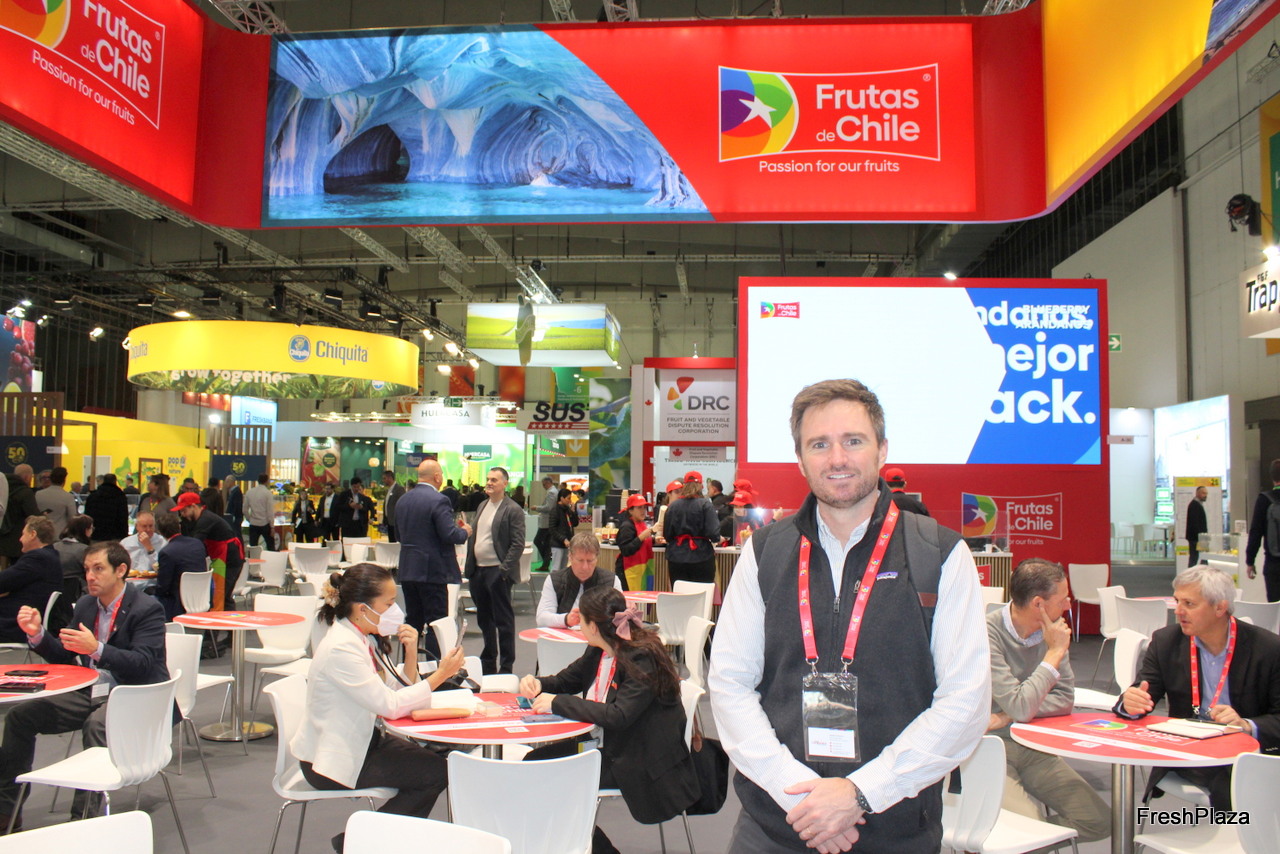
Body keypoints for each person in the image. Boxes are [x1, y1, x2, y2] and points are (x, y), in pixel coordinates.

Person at [709, 379, 989, 854]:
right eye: (819, 444)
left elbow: (965, 701)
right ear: (801, 459)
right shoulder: (764, 552)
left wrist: (861, 793)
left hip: (895, 827)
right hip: (777, 824)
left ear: (882, 449)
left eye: (853, 441)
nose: (837, 458)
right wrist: (800, 795)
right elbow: (730, 683)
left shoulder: (939, 554)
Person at [294, 564, 463, 853]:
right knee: (436, 774)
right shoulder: (342, 648)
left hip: (363, 742)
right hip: (328, 760)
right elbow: (391, 706)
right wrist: (440, 675)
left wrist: (411, 652)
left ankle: (368, 840)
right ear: (363, 609)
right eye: (388, 603)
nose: (395, 611)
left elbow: (397, 691)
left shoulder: (362, 636)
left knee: (437, 767)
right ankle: (357, 842)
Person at [0, 541, 169, 830]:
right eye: (87, 569)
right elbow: (65, 656)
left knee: (96, 725)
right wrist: (38, 634)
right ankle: (7, 812)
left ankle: (84, 821)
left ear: (121, 570)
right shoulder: (87, 605)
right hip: (93, 692)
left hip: (135, 696)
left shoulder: (147, 608)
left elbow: (142, 664)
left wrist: (97, 649)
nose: (90, 576)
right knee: (20, 717)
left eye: (98, 569)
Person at [520, 586, 700, 854]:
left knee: (549, 778)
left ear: (593, 627)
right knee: (534, 764)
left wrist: (557, 703)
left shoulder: (641, 658)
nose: (578, 625)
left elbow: (619, 715)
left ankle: (595, 848)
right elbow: (567, 680)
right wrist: (538, 684)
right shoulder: (599, 649)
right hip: (605, 744)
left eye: (581, 620)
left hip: (636, 757)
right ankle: (582, 844)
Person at [1116, 564, 1280, 809]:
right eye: (1177, 601)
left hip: (1247, 750)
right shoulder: (1166, 642)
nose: (1178, 611)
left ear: (1220, 608)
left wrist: (1246, 725)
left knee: (1236, 776)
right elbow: (1140, 693)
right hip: (1190, 748)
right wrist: (1130, 703)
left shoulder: (1267, 648)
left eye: (1189, 604)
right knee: (1230, 781)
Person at [987, 558, 1109, 842]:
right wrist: (1053, 654)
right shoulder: (986, 632)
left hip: (1033, 746)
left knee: (1100, 822)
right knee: (1027, 836)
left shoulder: (1053, 631)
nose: (1068, 605)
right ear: (1038, 604)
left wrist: (1007, 714)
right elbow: (1021, 706)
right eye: (1063, 599)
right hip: (990, 747)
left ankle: (1005, 843)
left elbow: (1064, 699)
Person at [395, 459, 471, 657]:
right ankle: (434, 668)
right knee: (436, 623)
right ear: (437, 477)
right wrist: (465, 532)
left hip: (408, 569)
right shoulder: (439, 500)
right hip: (432, 571)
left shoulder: (403, 500)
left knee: (412, 622)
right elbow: (449, 534)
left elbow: (398, 535)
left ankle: (408, 667)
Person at [464, 466, 525, 675]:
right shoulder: (482, 505)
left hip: (497, 573)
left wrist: (503, 570)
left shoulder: (512, 509)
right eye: (488, 479)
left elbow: (517, 543)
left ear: (505, 484)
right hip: (478, 572)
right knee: (484, 620)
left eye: (494, 480)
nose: (489, 483)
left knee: (503, 622)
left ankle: (506, 666)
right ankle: (488, 661)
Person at [173, 491, 244, 611]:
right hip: (222, 558)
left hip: (229, 559)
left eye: (184, 510)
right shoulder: (201, 518)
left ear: (193, 506)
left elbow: (195, 544)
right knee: (223, 596)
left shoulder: (205, 520)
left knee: (220, 595)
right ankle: (227, 622)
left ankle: (222, 622)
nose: (182, 514)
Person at [537, 533, 621, 628]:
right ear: (570, 557)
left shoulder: (612, 580)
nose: (585, 567)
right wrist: (566, 619)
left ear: (597, 558)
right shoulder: (554, 580)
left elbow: (621, 618)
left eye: (590, 561)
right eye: (580, 560)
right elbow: (541, 618)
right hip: (564, 635)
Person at [0, 516, 62, 644]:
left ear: (33, 534)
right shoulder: (50, 556)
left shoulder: (38, 558)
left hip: (17, 620)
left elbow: (3, 582)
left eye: (23, 534)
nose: (20, 539)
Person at [663, 471, 721, 585]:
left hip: (676, 558)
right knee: (702, 593)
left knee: (679, 592)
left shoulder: (673, 506)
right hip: (702, 556)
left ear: (684, 486)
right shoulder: (706, 505)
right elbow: (714, 534)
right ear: (701, 486)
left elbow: (667, 535)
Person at [154, 511, 206, 620]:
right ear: (179, 527)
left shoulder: (167, 552)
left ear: (161, 532)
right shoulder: (197, 544)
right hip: (202, 598)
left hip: (177, 603)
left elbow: (163, 587)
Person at [1245, 459, 1280, 601]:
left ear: (1272, 477)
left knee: (1275, 608)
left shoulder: (1264, 499)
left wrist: (1250, 561)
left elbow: (1255, 532)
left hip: (1273, 564)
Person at [51, 514, 93, 631]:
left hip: (51, 599)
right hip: (78, 599)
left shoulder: (52, 547)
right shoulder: (85, 551)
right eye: (91, 528)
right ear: (86, 530)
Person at [0, 466, 39, 569]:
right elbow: (33, 514)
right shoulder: (25, 492)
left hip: (2, 536)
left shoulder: (3, 488)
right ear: (27, 477)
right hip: (18, 539)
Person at [615, 494, 656, 591]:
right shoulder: (627, 526)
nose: (643, 511)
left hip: (643, 569)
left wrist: (654, 540)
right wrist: (642, 537)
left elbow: (643, 542)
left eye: (644, 508)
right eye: (639, 508)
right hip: (628, 570)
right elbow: (626, 550)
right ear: (630, 510)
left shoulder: (642, 524)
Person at [83, 473, 128, 543]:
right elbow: (123, 516)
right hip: (115, 534)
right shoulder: (120, 496)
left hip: (96, 533)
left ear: (104, 481)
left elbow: (87, 515)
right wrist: (124, 534)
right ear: (115, 481)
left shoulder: (93, 496)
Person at [35, 466, 77, 540]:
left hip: (40, 534)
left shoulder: (38, 494)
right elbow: (72, 518)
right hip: (59, 534)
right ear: (64, 480)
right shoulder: (68, 497)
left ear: (51, 479)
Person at [119, 511, 167, 576]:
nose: (148, 529)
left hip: (152, 580)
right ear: (137, 526)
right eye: (144, 526)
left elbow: (162, 569)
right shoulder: (125, 543)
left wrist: (150, 548)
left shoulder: (162, 542)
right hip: (131, 580)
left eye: (151, 526)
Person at [547, 487, 579, 574]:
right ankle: (553, 582)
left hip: (567, 543)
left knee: (564, 568)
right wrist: (563, 539)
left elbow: (575, 523)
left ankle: (561, 582)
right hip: (557, 544)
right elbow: (552, 529)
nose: (570, 500)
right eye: (568, 498)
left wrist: (573, 511)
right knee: (556, 568)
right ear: (561, 498)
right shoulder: (555, 510)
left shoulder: (567, 510)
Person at [245, 473, 276, 551]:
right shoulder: (267, 493)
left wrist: (249, 519)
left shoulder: (249, 492)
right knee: (271, 547)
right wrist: (272, 526)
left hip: (253, 524)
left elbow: (244, 509)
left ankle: (253, 558)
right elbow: (270, 511)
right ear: (267, 481)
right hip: (265, 523)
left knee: (253, 547)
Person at [533, 476, 557, 572]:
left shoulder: (551, 492)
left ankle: (546, 560)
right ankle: (545, 564)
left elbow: (549, 507)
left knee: (537, 541)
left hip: (547, 523)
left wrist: (537, 508)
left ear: (547, 483)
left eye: (544, 484)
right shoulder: (554, 491)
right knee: (547, 544)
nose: (543, 486)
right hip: (549, 523)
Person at [1184, 485, 1209, 567]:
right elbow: (1194, 523)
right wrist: (1200, 537)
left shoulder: (1197, 504)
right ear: (1197, 493)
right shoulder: (1194, 505)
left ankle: (1202, 572)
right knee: (1194, 558)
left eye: (1206, 493)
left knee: (1202, 558)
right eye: (1203, 493)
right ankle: (1191, 573)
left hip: (1199, 537)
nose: (1205, 495)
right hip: (1196, 538)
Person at [381, 470, 405, 543]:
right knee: (391, 541)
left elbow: (402, 504)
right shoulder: (388, 490)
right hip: (389, 521)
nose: (383, 480)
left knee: (395, 542)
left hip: (395, 522)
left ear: (390, 478)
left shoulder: (399, 489)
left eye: (384, 478)